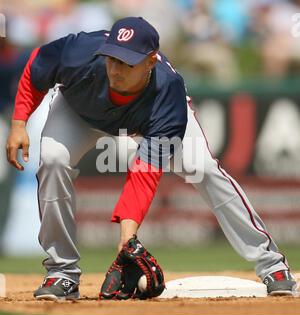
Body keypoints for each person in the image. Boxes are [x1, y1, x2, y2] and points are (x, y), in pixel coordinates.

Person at [6, 17, 296, 300]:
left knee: (205, 169)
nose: (116, 70)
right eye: (112, 59)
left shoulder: (166, 93)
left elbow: (144, 173)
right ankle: (62, 273)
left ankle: (273, 265)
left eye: (127, 62)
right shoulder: (79, 53)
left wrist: (126, 239)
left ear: (151, 61)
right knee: (54, 160)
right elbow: (37, 66)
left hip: (148, 116)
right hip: (80, 112)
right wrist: (19, 123)